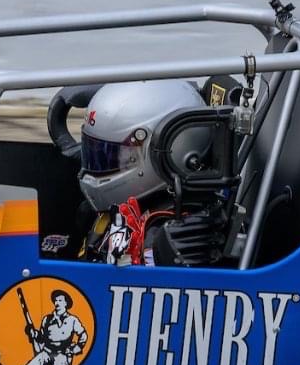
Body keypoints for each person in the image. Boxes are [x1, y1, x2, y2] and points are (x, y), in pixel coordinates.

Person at [72, 79, 233, 268]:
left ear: (173, 149)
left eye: (114, 156)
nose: (99, 165)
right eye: (96, 153)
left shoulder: (166, 233)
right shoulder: (113, 211)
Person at [20, 288, 89, 365]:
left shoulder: (72, 320)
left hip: (62, 355)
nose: (57, 303)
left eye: (60, 300)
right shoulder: (47, 319)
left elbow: (83, 335)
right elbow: (41, 337)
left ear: (66, 303)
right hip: (46, 352)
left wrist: (76, 348)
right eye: (55, 300)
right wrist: (34, 334)